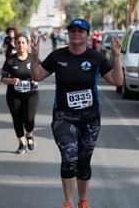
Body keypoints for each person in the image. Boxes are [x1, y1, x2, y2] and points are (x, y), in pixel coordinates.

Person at [30, 19, 123, 208]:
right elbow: (37, 76)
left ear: (87, 35)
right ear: (68, 34)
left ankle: (83, 200)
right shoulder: (57, 56)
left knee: (83, 159)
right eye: (72, 30)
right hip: (64, 116)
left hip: (90, 117)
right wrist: (34, 56)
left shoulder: (96, 57)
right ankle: (68, 202)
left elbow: (117, 81)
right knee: (69, 155)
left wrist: (116, 56)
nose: (76, 34)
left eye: (81, 31)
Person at [0, 33, 39, 154]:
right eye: (18, 43)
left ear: (27, 45)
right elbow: (2, 78)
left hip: (31, 93)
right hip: (14, 94)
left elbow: (42, 74)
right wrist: (11, 80)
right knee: (17, 119)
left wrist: (36, 80)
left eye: (23, 43)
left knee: (29, 119)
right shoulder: (10, 61)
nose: (21, 45)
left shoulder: (33, 58)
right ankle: (22, 143)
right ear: (15, 45)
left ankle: (29, 134)